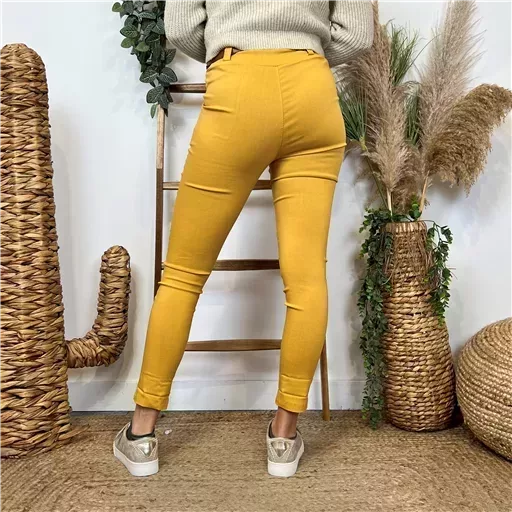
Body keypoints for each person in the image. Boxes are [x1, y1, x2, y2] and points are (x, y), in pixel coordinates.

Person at [114, 0, 374, 478]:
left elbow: (181, 25)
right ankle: (284, 437)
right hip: (313, 89)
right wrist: (299, 47)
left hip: (239, 86)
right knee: (306, 280)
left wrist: (231, 45)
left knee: (184, 274)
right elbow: (357, 33)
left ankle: (142, 435)